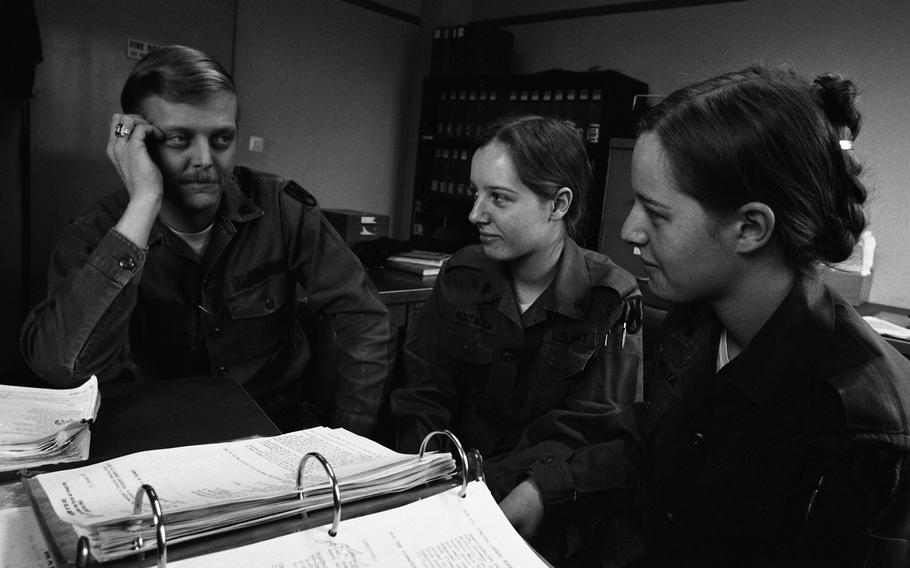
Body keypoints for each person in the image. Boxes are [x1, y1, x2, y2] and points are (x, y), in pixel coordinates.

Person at [500, 66, 910, 567]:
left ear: (750, 228)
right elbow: (658, 438)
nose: (630, 230)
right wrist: (550, 487)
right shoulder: (696, 315)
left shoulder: (857, 420)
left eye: (657, 212)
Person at [20, 45, 395, 436]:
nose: (204, 159)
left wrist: (352, 442)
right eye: (179, 139)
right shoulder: (98, 233)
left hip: (272, 436)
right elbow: (63, 367)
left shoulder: (281, 208)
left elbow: (366, 319)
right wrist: (145, 202)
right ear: (137, 141)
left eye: (221, 140)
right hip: (153, 448)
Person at [390, 115, 644, 553]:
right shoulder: (461, 275)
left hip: (541, 509)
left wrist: (500, 487)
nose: (475, 214)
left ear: (559, 204)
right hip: (440, 494)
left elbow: (596, 433)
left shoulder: (610, 297)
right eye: (476, 193)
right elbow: (421, 393)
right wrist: (425, 476)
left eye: (500, 199)